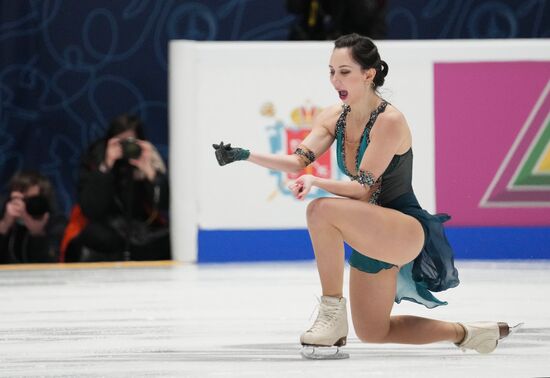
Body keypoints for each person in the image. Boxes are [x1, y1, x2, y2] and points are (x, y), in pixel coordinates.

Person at [213, 33, 513, 355]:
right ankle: (469, 333)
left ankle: (331, 312)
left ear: (368, 74)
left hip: (403, 227)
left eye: (344, 71)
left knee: (319, 211)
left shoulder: (389, 122)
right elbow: (297, 161)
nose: (334, 79)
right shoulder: (332, 117)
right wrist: (245, 155)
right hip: (370, 230)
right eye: (331, 71)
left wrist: (316, 181)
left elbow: (361, 189)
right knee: (374, 330)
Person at [63, 114, 170, 262]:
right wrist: (106, 167)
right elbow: (90, 208)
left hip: (140, 229)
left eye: (131, 142)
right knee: (96, 235)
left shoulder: (147, 156)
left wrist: (150, 173)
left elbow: (164, 204)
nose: (127, 147)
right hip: (106, 227)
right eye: (121, 142)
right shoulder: (97, 157)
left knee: (169, 238)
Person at [0, 171, 66, 263]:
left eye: (31, 200)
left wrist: (38, 233)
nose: (24, 206)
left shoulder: (57, 224)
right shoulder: (4, 215)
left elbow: (51, 266)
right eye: (21, 200)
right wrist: (4, 226)